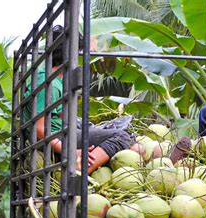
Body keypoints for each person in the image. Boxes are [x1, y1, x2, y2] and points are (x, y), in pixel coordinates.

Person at [23, 26, 144, 174]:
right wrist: (71, 152)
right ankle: (80, 167)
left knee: (121, 135)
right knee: (120, 136)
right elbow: (40, 129)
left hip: (62, 130)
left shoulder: (52, 78)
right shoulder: (48, 84)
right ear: (69, 55)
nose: (78, 60)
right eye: (78, 54)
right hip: (58, 136)